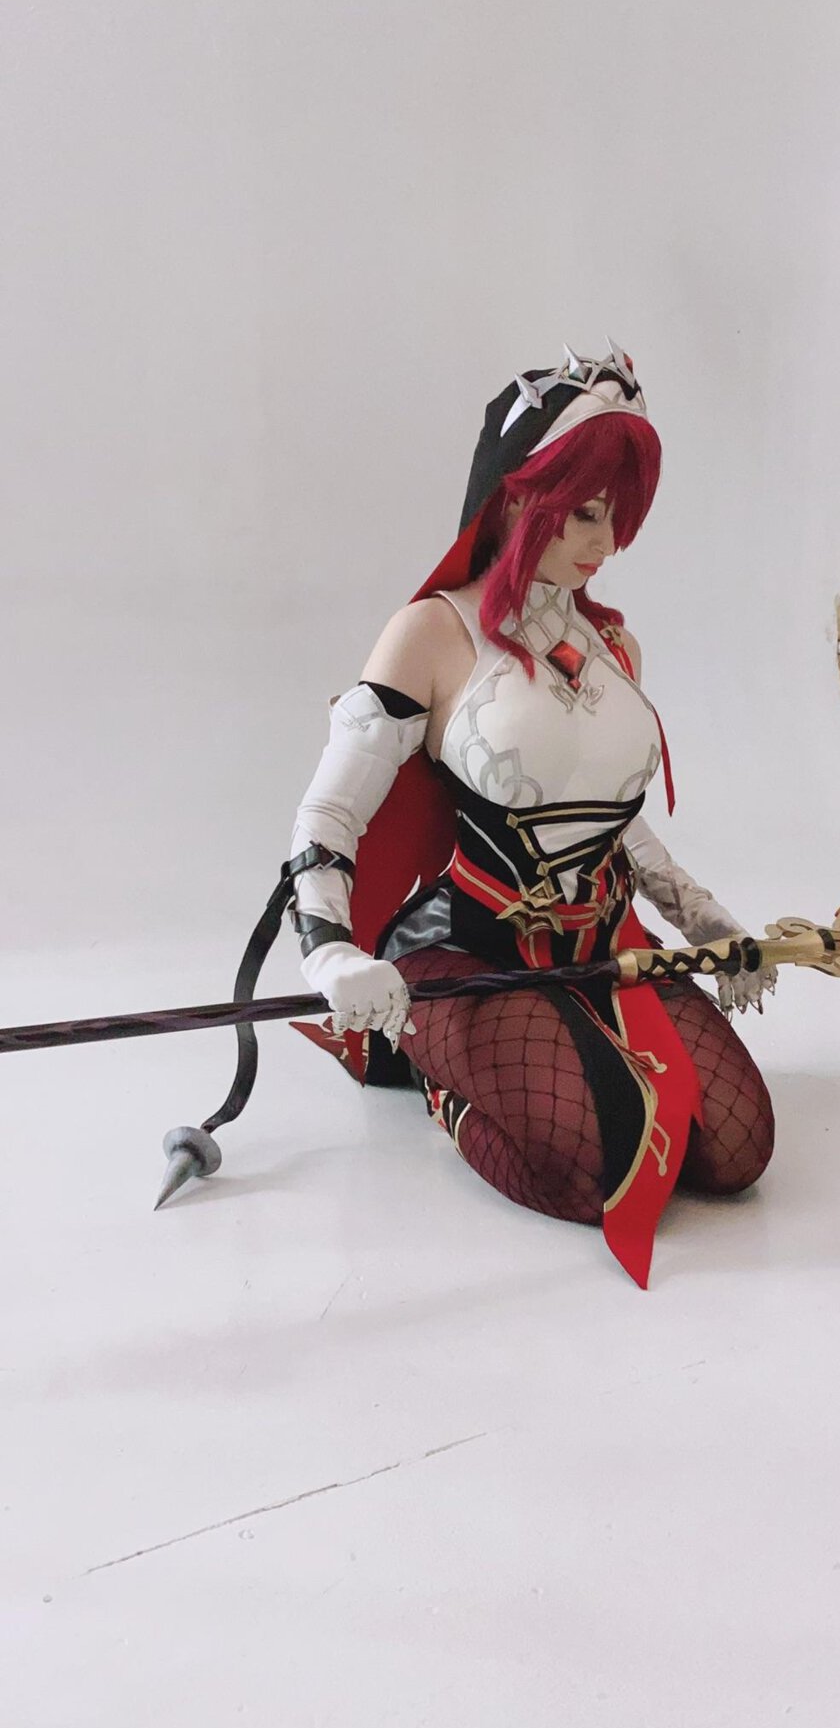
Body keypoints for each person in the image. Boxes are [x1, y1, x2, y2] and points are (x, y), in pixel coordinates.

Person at [287, 342, 775, 1287]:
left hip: (602, 947)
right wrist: (330, 951)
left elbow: (619, 822)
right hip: (467, 951)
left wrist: (704, 918)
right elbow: (329, 813)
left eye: (616, 513)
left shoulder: (615, 645)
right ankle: (434, 1072)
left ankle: (573, 1040)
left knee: (736, 1151)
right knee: (589, 1168)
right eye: (583, 512)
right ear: (516, 499)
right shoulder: (432, 631)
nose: (606, 541)